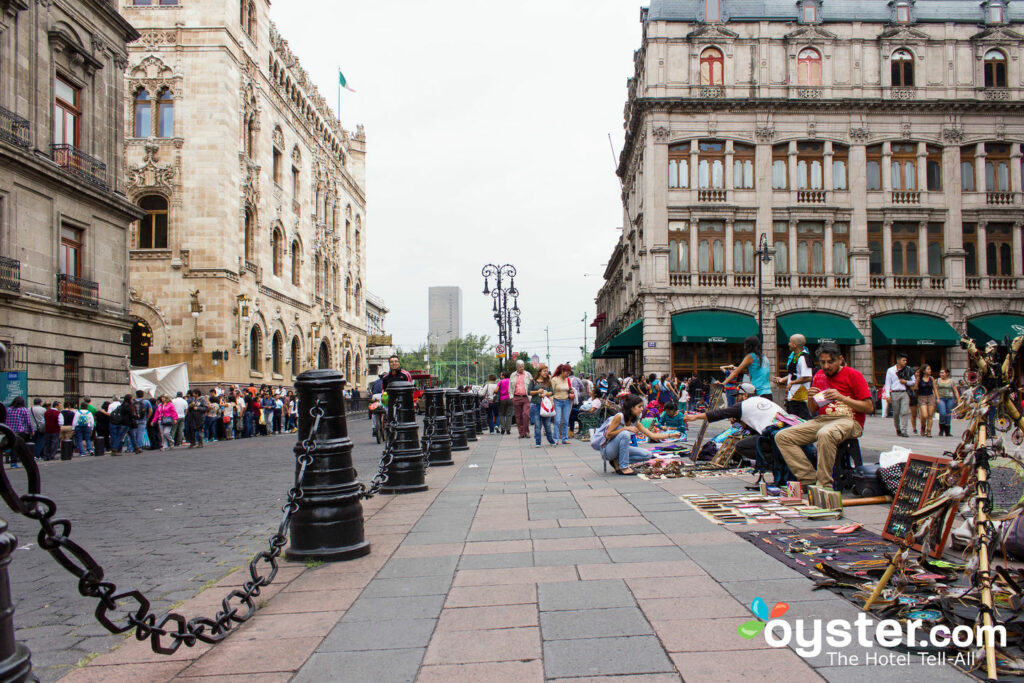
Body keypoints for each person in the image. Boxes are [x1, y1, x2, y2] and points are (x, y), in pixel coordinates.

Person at [775, 343, 873, 488]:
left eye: (830, 362)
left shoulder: (853, 375)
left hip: (849, 420)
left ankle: (824, 485)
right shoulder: (819, 375)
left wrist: (843, 398)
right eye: (823, 362)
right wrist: (810, 397)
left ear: (840, 359)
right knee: (782, 436)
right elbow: (812, 410)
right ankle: (809, 479)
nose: (826, 366)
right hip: (823, 419)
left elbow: (869, 408)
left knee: (825, 433)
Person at [601, 394, 673, 475]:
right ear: (631, 407)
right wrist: (625, 428)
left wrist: (671, 435)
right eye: (639, 406)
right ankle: (624, 467)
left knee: (647, 455)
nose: (642, 409)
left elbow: (652, 435)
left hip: (620, 450)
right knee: (625, 434)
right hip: (608, 450)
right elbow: (608, 435)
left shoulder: (634, 421)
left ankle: (617, 461)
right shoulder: (619, 416)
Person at [774, 334, 813, 419]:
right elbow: (795, 374)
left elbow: (808, 377)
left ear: (795, 345)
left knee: (801, 422)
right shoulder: (796, 356)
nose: (788, 344)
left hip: (800, 397)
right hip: (793, 397)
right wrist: (782, 380)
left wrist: (792, 383)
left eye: (790, 342)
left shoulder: (803, 358)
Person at [723, 336, 773, 400]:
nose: (744, 347)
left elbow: (735, 372)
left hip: (757, 392)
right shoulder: (764, 357)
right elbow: (757, 372)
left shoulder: (750, 356)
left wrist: (723, 384)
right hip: (768, 393)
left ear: (749, 346)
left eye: (745, 344)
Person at [883, 353, 914, 438]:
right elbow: (888, 383)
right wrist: (887, 395)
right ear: (898, 360)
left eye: (906, 360)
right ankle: (898, 428)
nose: (905, 362)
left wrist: (906, 382)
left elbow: (913, 381)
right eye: (903, 360)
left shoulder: (908, 370)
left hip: (904, 392)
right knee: (896, 413)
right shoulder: (891, 370)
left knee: (904, 411)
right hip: (894, 392)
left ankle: (904, 430)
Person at [529, 366, 557, 447]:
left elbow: (552, 392)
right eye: (544, 371)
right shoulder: (533, 381)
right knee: (538, 424)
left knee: (547, 425)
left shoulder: (548, 381)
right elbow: (529, 392)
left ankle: (551, 440)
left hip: (546, 405)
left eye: (547, 371)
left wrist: (545, 394)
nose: (546, 373)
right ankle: (538, 442)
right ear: (539, 372)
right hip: (535, 405)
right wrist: (537, 391)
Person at [4, 397, 33, 467]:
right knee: (18, 447)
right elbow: (28, 422)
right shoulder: (23, 410)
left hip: (10, 431)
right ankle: (15, 462)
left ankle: (12, 460)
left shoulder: (8, 409)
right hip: (20, 431)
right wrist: (31, 430)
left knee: (12, 446)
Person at [551, 364, 574, 444]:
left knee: (565, 420)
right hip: (557, 401)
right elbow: (551, 392)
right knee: (557, 420)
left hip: (566, 401)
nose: (567, 375)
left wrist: (571, 391)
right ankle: (556, 439)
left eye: (569, 373)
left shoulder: (567, 379)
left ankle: (564, 438)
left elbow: (569, 389)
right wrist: (552, 402)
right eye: (566, 373)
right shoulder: (555, 379)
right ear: (562, 371)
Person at [509, 360, 533, 438]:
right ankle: (521, 433)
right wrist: (512, 397)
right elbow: (510, 387)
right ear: (517, 367)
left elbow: (533, 384)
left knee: (526, 415)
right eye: (520, 367)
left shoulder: (528, 374)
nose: (522, 368)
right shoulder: (513, 375)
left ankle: (526, 431)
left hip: (526, 397)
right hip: (516, 397)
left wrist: (531, 394)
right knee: (518, 416)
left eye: (523, 366)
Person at [936, 368, 959, 437]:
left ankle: (947, 431)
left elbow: (955, 390)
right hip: (941, 398)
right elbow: (935, 390)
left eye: (943, 373)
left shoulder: (951, 381)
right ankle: (941, 429)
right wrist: (936, 398)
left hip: (950, 399)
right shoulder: (937, 381)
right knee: (942, 413)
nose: (941, 374)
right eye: (940, 373)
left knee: (948, 414)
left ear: (947, 374)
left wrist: (958, 399)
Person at [916, 364, 936, 438]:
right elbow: (915, 388)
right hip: (922, 397)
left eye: (930, 369)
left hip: (930, 396)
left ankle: (929, 430)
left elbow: (935, 388)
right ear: (924, 371)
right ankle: (922, 427)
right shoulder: (919, 379)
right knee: (924, 415)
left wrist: (937, 398)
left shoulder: (932, 378)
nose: (930, 371)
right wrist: (916, 380)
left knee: (930, 415)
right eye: (928, 369)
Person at [908, 368, 920, 436]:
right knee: (914, 414)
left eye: (919, 372)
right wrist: (916, 381)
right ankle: (914, 428)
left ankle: (923, 427)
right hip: (913, 397)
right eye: (916, 372)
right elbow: (914, 388)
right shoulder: (911, 380)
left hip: (921, 397)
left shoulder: (922, 379)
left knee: (922, 414)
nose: (917, 374)